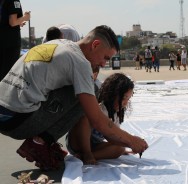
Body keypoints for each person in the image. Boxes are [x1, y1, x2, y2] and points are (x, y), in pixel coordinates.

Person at [0, 25, 148, 170]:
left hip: (4, 115)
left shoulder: (58, 43)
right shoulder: (80, 62)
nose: (104, 63)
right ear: (95, 45)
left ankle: (41, 141)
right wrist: (131, 140)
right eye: (105, 57)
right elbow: (96, 120)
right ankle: (40, 143)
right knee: (91, 89)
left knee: (81, 87)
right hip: (16, 122)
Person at [67, 73, 135, 164]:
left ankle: (86, 156)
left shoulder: (115, 114)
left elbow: (113, 136)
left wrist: (130, 144)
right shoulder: (98, 106)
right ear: (112, 94)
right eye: (123, 98)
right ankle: (87, 153)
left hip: (94, 146)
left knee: (120, 149)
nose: (125, 103)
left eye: (128, 99)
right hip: (77, 142)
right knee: (86, 118)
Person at [0, 0, 30, 81]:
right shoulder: (14, 0)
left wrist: (19, 22)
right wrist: (25, 17)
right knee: (8, 75)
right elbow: (12, 22)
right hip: (10, 43)